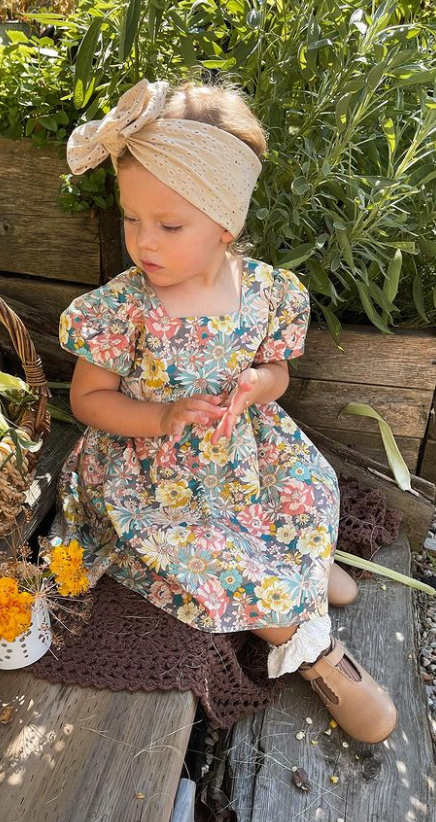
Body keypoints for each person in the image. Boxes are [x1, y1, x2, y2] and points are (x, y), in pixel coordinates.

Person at [50, 78, 396, 744]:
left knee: (305, 486)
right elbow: (87, 401)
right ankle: (314, 653)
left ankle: (296, 560)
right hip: (151, 478)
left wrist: (258, 385)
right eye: (131, 218)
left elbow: (278, 372)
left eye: (169, 224)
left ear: (224, 224)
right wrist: (159, 417)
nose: (143, 241)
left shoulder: (264, 291)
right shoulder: (122, 308)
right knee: (212, 555)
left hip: (244, 453)